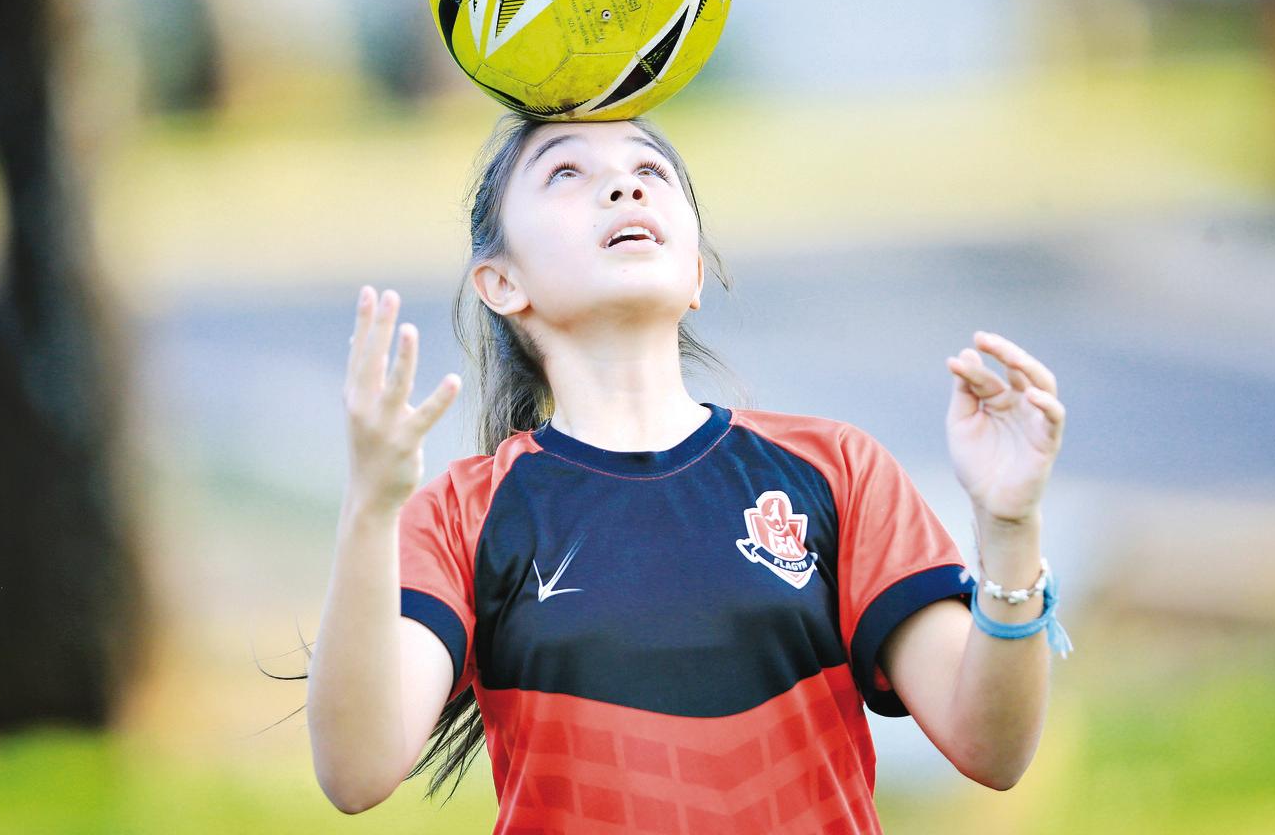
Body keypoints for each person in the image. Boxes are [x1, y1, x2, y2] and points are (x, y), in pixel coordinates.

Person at [302, 112, 1072, 833]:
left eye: (650, 169)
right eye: (565, 173)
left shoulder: (836, 468)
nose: (625, 185)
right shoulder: (461, 514)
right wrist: (370, 507)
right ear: (501, 282)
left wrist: (1010, 528)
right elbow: (357, 773)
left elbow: (992, 750)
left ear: (695, 272)